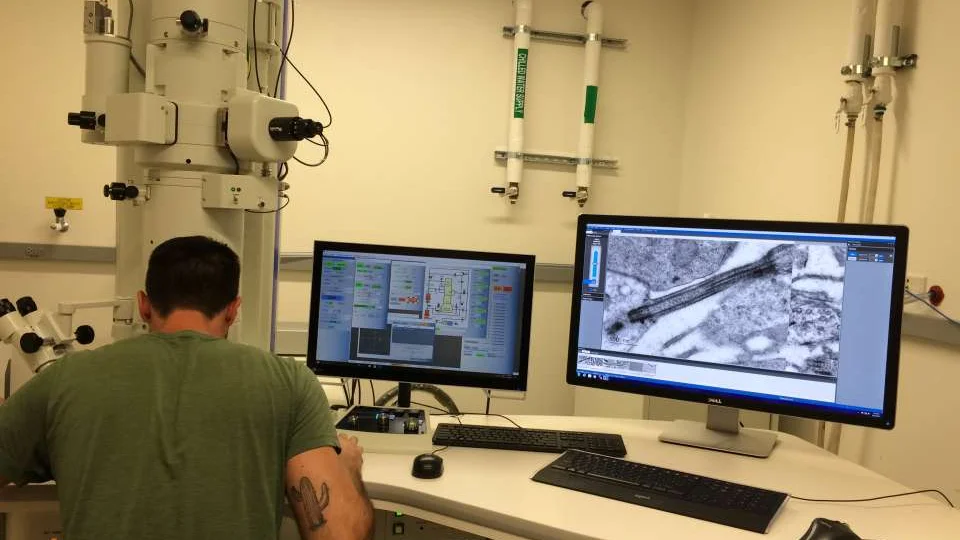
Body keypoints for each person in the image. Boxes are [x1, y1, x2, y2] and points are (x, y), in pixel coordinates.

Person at [0, 236, 373, 540]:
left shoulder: (66, 378)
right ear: (233, 309)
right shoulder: (289, 383)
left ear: (144, 305)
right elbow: (339, 536)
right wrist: (348, 470)